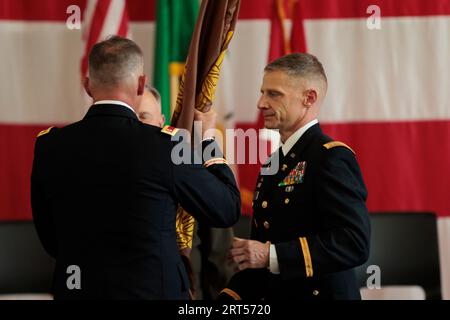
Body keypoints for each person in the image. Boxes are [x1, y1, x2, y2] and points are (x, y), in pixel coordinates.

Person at [31, 36, 241, 299]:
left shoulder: (50, 146)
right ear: (141, 85)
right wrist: (209, 139)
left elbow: (51, 239)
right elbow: (226, 208)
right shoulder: (166, 146)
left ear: (87, 85)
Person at [219, 53, 370, 300]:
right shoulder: (273, 162)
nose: (260, 103)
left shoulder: (331, 158)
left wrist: (270, 255)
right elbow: (261, 255)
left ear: (309, 98)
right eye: (262, 92)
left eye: (274, 94)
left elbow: (353, 243)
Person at [137, 86, 236, 300]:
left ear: (161, 121)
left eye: (143, 116)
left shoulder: (187, 167)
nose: (137, 125)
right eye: (131, 117)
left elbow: (219, 253)